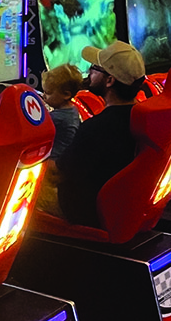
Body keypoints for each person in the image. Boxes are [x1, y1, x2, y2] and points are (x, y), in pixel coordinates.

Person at [52, 41, 146, 227]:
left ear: (109, 80)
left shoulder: (96, 129)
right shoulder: (143, 117)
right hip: (124, 207)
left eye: (95, 68)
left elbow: (58, 171)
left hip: (86, 211)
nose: (89, 72)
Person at [41, 63, 84, 160]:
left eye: (48, 93)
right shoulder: (72, 109)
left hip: (53, 160)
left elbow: (36, 127)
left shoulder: (58, 117)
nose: (44, 96)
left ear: (66, 95)